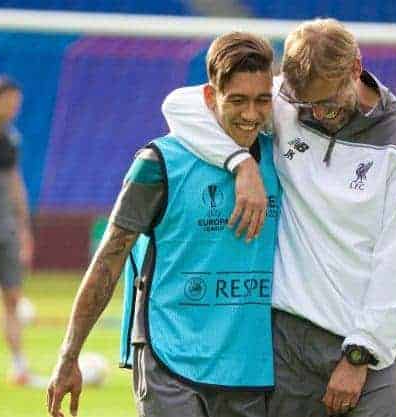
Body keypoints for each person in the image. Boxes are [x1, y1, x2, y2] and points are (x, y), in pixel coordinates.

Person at [162, 18, 396, 417]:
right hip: (285, 345)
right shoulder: (288, 103)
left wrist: (360, 355)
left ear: (355, 69)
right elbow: (180, 105)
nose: (318, 114)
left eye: (327, 102)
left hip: (372, 355)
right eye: (307, 104)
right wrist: (240, 163)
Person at [47, 32, 280, 417]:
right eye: (237, 100)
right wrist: (68, 355)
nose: (251, 114)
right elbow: (109, 257)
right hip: (169, 358)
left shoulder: (283, 160)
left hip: (248, 368)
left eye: (262, 100)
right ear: (210, 97)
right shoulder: (158, 163)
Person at [0, 75, 38, 386]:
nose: (15, 108)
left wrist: (24, 229)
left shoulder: (12, 140)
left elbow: (16, 186)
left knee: (12, 299)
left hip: (6, 232)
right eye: (10, 101)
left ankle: (19, 366)